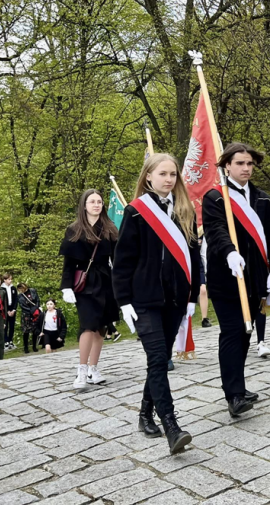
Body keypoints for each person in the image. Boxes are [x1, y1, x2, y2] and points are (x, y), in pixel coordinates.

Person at [113, 153, 200, 455]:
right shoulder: (136, 212)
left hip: (175, 300)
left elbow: (194, 257)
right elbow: (122, 262)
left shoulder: (185, 210)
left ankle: (143, 414)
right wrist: (123, 301)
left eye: (173, 174)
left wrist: (192, 297)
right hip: (144, 301)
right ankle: (171, 426)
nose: (168, 179)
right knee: (158, 357)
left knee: (159, 361)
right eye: (162, 173)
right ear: (148, 176)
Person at [202, 142, 270, 416]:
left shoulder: (262, 199)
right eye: (240, 163)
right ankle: (234, 395)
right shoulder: (214, 198)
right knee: (233, 329)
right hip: (226, 278)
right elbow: (215, 230)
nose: (246, 168)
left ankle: (238, 384)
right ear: (227, 165)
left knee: (246, 330)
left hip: (255, 277)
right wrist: (229, 252)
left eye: (249, 164)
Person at [60, 189, 120, 390]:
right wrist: (66, 287)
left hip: (105, 281)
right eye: (92, 201)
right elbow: (68, 262)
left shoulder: (110, 228)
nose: (97, 205)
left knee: (101, 326)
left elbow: (118, 259)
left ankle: (94, 368)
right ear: (84, 205)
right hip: (84, 283)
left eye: (99, 201)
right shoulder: (74, 229)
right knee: (87, 324)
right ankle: (82, 369)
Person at [17, 283, 41, 354]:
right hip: (26, 314)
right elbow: (22, 305)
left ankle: (34, 346)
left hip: (35, 313)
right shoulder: (20, 296)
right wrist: (30, 311)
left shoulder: (32, 291)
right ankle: (26, 347)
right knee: (26, 331)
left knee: (35, 330)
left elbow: (37, 300)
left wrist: (36, 308)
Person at [1, 273, 18, 350]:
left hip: (12, 309)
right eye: (8, 279)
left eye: (11, 279)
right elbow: (1, 301)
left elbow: (16, 300)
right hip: (5, 309)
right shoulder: (1, 289)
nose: (10, 281)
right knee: (5, 326)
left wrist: (13, 310)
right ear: (4, 280)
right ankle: (6, 341)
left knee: (12, 326)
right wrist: (6, 311)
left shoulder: (13, 288)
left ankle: (11, 340)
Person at [198, 236, 212, 328]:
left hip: (198, 262)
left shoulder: (201, 230)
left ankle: (204, 318)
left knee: (203, 289)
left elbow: (203, 251)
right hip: (185, 260)